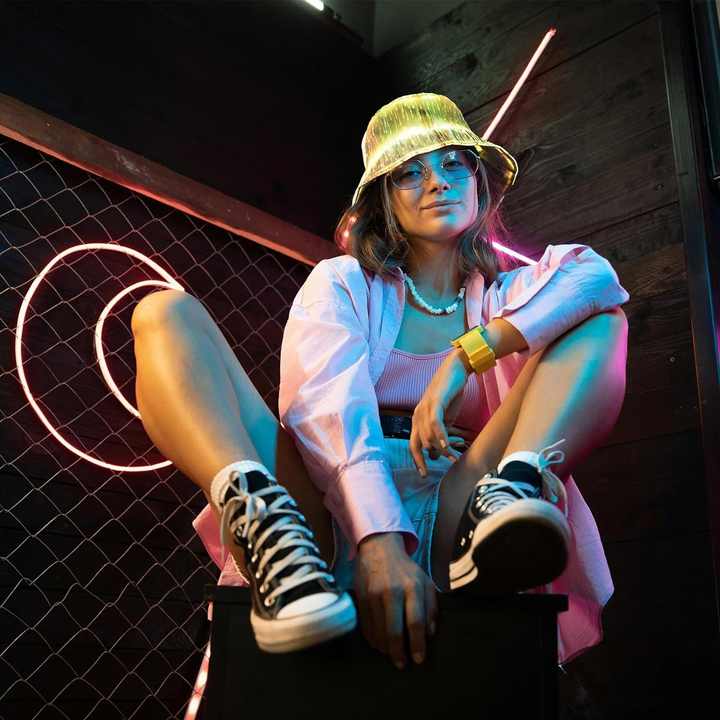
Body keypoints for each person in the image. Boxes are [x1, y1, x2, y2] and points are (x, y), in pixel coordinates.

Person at [132, 93, 630, 671]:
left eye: (453, 163)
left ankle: (512, 490)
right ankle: (260, 516)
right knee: (163, 313)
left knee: (602, 321)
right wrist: (378, 538)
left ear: (477, 181)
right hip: (328, 503)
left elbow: (595, 277)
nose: (437, 182)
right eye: (409, 173)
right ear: (384, 199)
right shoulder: (344, 282)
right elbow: (325, 404)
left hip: (457, 504)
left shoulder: (508, 297)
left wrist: (466, 357)